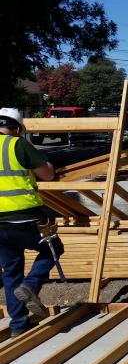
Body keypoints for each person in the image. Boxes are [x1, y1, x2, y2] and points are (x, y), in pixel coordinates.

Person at [0, 107, 62, 337]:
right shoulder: (17, 144)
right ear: (17, 128)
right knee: (54, 248)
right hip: (23, 216)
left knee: (11, 271)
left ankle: (18, 327)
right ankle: (32, 285)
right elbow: (47, 174)